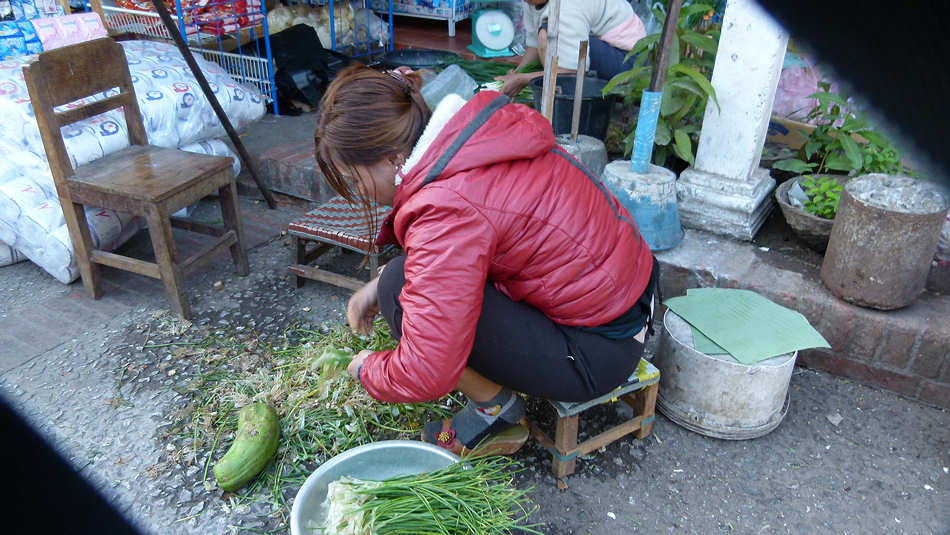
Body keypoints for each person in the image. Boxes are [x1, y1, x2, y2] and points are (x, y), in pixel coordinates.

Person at [313, 65, 658, 456]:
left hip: (598, 352)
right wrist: (375, 287)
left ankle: (498, 411)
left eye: (356, 181)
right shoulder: (472, 139)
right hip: (628, 306)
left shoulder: (446, 206)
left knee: (401, 289)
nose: (362, 195)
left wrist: (365, 368)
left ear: (392, 159)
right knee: (398, 281)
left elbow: (427, 370)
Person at [495, 0, 647, 99]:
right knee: (546, 35)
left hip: (628, 61)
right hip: (600, 46)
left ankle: (565, 99)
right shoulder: (531, 2)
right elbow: (534, 45)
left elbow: (573, 70)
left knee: (548, 35)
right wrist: (517, 73)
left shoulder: (568, 5)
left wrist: (522, 80)